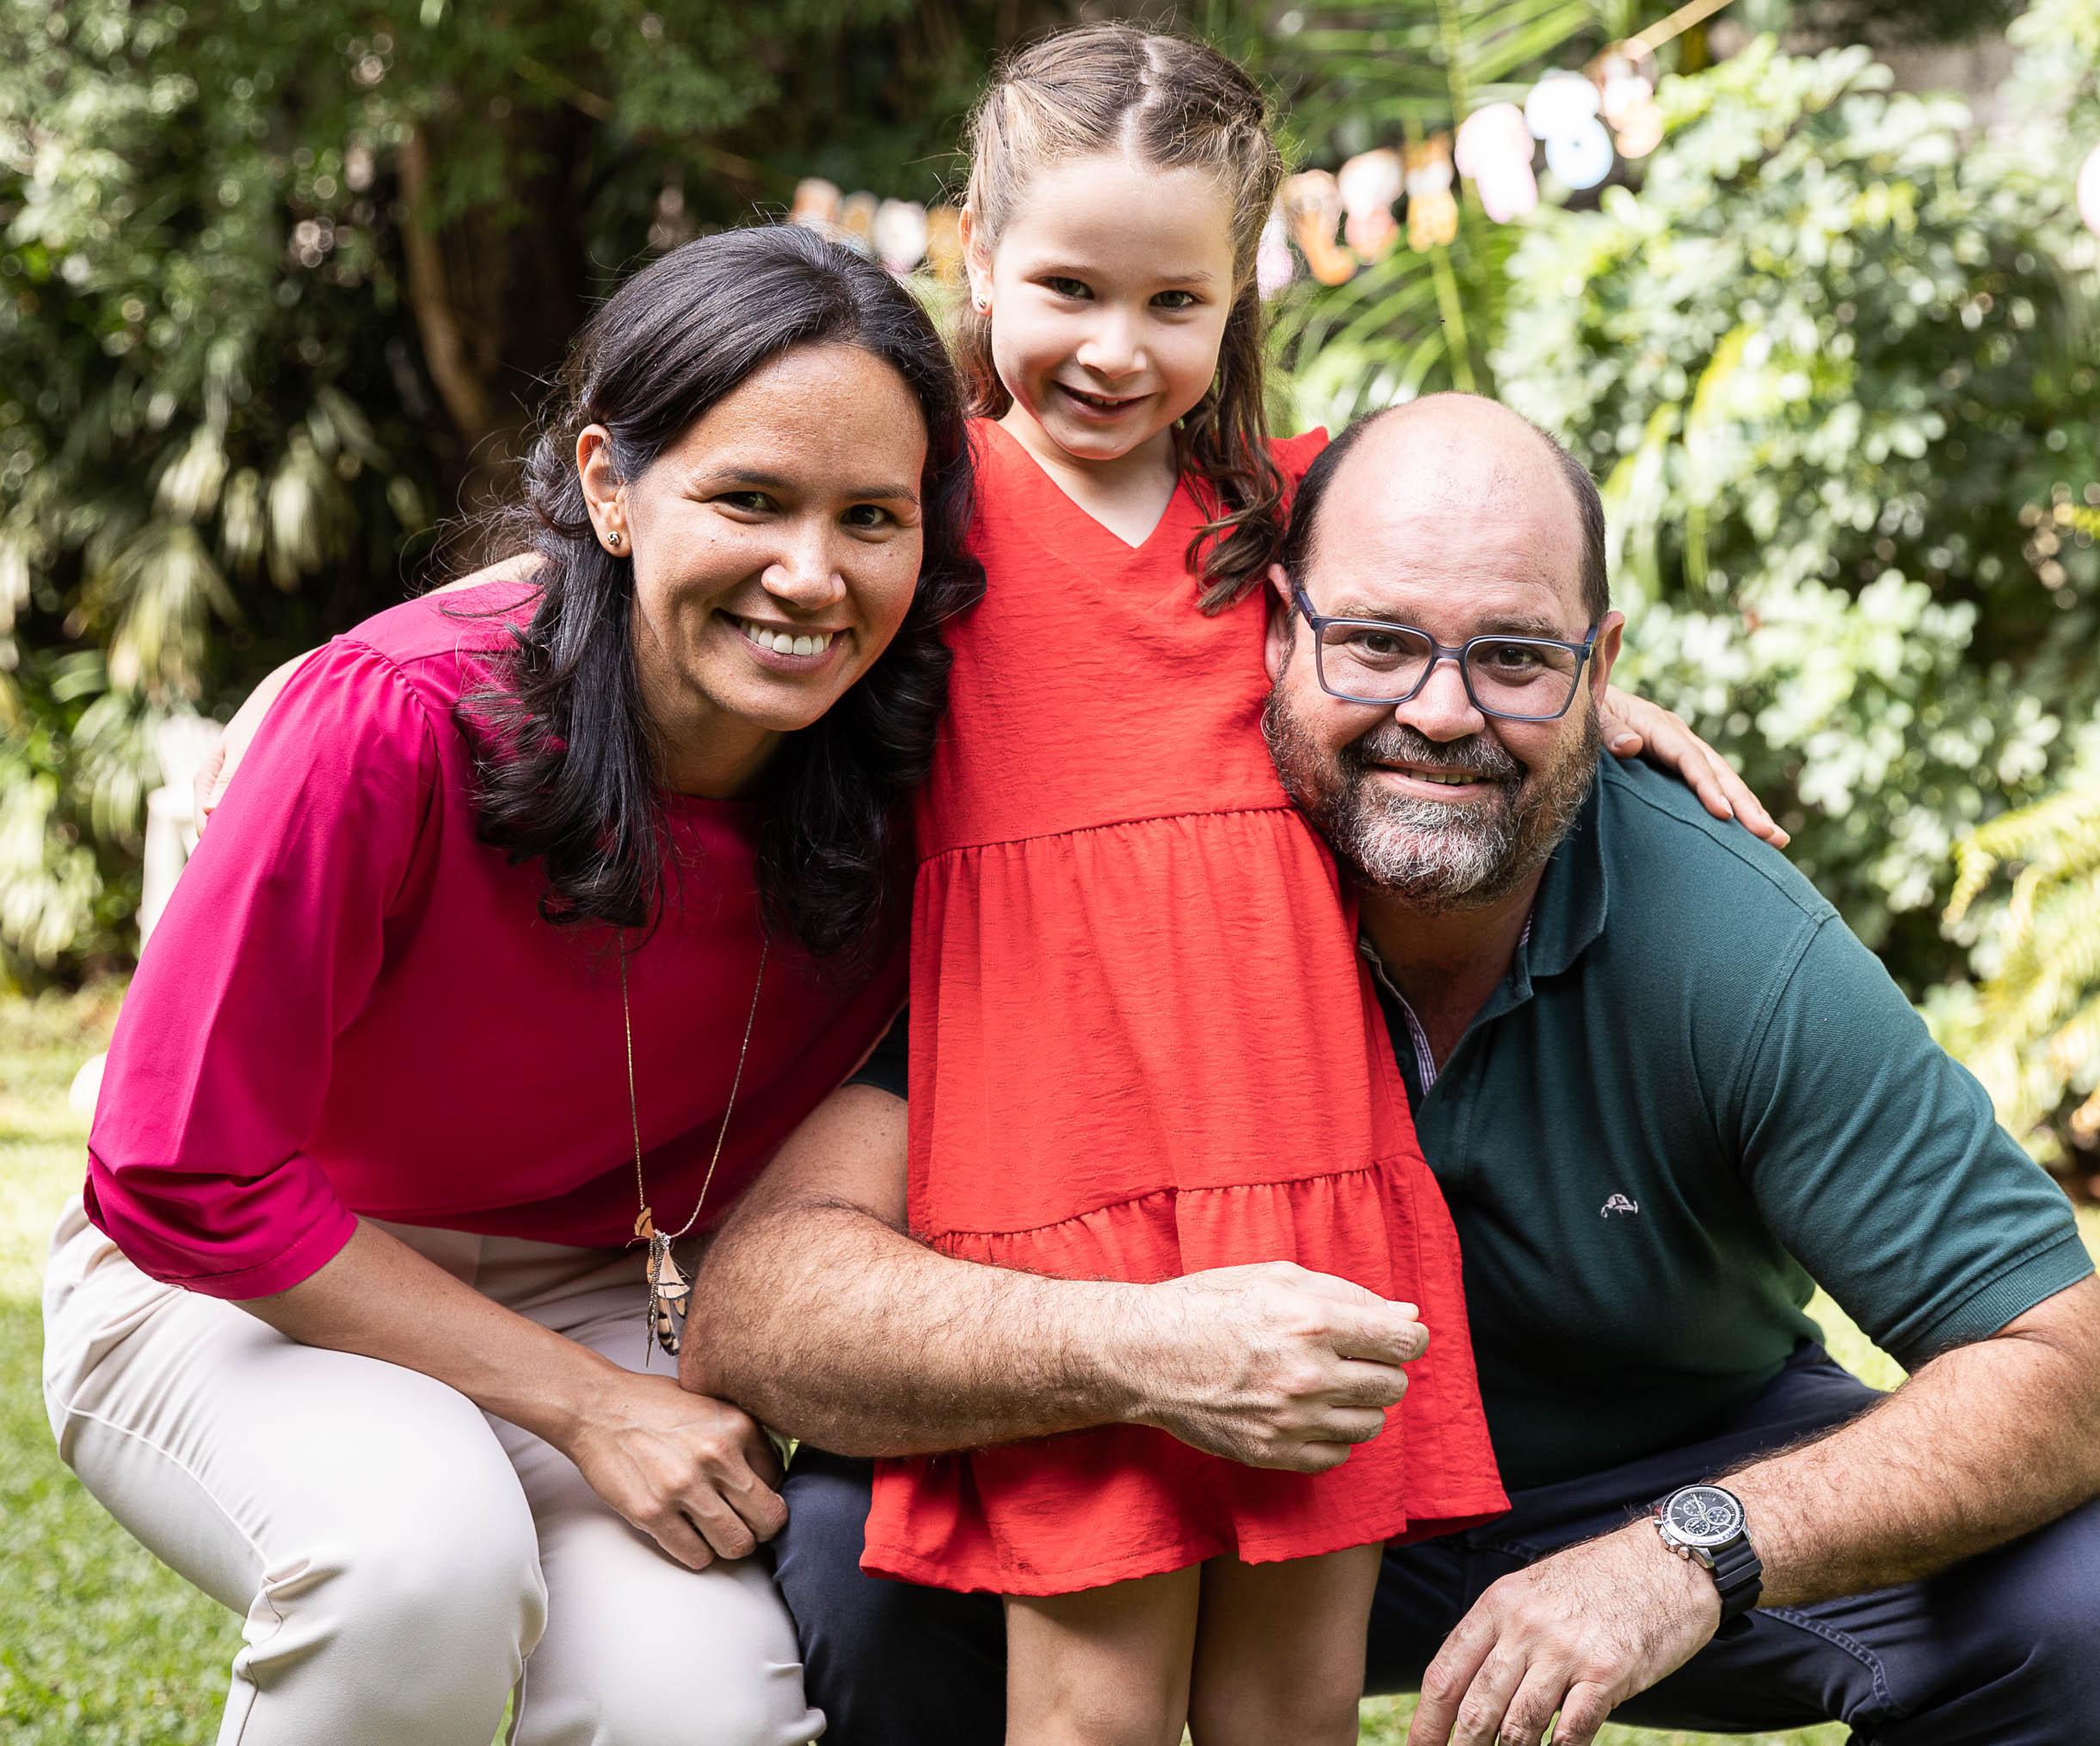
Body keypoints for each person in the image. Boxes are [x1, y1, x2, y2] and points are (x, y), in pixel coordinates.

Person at [686, 394, 2100, 1746]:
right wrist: (1130, 1350)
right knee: (852, 1552)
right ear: (1272, 628)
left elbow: (2067, 1359)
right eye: (1373, 641)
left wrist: (1687, 1550)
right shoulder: (1128, 882)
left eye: (1514, 657)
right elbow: (759, 1306)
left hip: (1652, 1470)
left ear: (1598, 664)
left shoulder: (1727, 942)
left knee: (2076, 1600)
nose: (1438, 711)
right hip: (1209, 1461)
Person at [40, 224, 982, 1746]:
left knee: (701, 1716)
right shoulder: (392, 718)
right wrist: (592, 1404)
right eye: (748, 499)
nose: (812, 575)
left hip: (610, 1285)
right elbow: (176, 1169)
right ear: (609, 486)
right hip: (259, 1277)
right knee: (417, 1566)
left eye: (869, 516)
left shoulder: (925, 745)